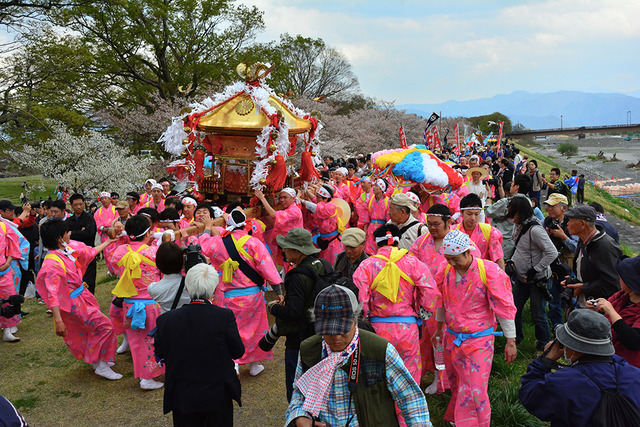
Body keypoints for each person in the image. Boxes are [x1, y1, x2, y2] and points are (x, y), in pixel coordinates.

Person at [285, 285, 431, 427]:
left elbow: (411, 399)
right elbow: (299, 393)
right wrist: (300, 415)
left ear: (355, 319)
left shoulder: (379, 351)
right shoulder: (309, 350)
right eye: (328, 330)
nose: (336, 337)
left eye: (342, 329)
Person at [433, 229, 517, 426]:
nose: (452, 263)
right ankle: (458, 418)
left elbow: (503, 307)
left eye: (455, 259)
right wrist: (439, 329)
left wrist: (510, 340)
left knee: (475, 388)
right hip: (453, 337)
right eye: (448, 259)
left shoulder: (488, 271)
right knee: (458, 383)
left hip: (478, 340)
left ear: (468, 252)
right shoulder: (445, 272)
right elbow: (443, 303)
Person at [154, 263, 244, 427]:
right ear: (215, 289)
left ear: (187, 288)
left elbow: (160, 353)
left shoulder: (165, 320)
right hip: (217, 394)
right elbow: (237, 351)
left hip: (182, 395)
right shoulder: (223, 317)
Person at [353, 224, 441, 384]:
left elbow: (360, 300)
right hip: (408, 329)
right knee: (408, 374)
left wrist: (365, 316)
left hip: (377, 330)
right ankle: (406, 407)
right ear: (398, 242)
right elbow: (431, 292)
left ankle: (383, 408)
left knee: (379, 374)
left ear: (376, 244)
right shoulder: (413, 263)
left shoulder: (367, 266)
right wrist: (423, 312)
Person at [199, 207, 283, 377]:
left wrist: (207, 228)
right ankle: (254, 364)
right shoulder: (253, 242)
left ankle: (234, 363)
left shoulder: (218, 242)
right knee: (256, 330)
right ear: (244, 224)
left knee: (231, 330)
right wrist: (278, 290)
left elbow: (202, 245)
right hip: (252, 295)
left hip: (227, 296)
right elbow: (268, 268)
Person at [519, 309, 640, 426]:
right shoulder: (634, 374)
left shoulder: (563, 382)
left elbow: (530, 395)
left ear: (572, 347)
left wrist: (545, 361)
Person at [35, 219, 122, 379]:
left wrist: (109, 242)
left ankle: (99, 360)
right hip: (75, 303)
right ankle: (101, 364)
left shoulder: (67, 250)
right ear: (59, 238)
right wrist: (58, 319)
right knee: (104, 327)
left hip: (83, 297)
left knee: (92, 329)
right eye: (67, 232)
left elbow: (89, 252)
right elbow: (52, 293)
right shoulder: (52, 264)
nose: (70, 234)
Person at [267, 228, 326, 402]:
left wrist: (273, 308)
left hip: (299, 338)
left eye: (286, 247)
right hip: (318, 333)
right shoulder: (321, 264)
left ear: (298, 251)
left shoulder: (297, 276)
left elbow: (293, 312)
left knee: (296, 386)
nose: (283, 250)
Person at [111, 215, 165, 390]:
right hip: (150, 303)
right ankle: (148, 377)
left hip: (129, 304)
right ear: (148, 233)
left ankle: (145, 375)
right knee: (153, 340)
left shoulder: (119, 252)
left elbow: (113, 266)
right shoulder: (154, 252)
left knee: (137, 342)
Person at [507, 196, 557, 351]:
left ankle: (544, 346)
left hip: (537, 280)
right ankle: (516, 340)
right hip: (521, 279)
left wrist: (536, 269)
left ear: (520, 213)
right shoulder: (519, 225)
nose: (511, 218)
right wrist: (512, 262)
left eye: (513, 214)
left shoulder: (535, 229)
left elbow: (552, 252)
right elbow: (520, 248)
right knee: (514, 309)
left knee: (538, 314)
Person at [587, 255, 640, 368]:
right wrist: (598, 308)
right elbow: (608, 314)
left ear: (632, 283)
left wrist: (611, 311)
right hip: (607, 359)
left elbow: (635, 341)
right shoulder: (622, 295)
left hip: (628, 368)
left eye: (623, 277)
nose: (619, 278)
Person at [563, 206, 622, 303]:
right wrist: (574, 282)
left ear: (582, 224)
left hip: (600, 309)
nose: (567, 224)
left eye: (570, 220)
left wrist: (584, 288)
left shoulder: (605, 247)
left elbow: (613, 283)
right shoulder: (582, 241)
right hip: (585, 304)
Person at [543, 193, 578, 328]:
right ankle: (557, 329)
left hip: (569, 269)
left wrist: (564, 237)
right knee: (553, 302)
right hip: (552, 269)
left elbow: (577, 248)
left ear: (563, 209)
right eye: (548, 206)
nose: (549, 209)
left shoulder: (572, 223)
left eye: (553, 206)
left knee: (573, 301)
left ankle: (574, 329)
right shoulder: (546, 222)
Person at [254, 187, 304, 268]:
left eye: (285, 197)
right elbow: (277, 222)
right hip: (289, 245)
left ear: (293, 198)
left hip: (293, 246)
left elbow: (274, 215)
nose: (282, 200)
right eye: (280, 197)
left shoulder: (294, 210)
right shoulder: (290, 208)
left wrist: (262, 198)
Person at [455, 193, 505, 270]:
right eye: (469, 214)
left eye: (476, 214)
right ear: (461, 213)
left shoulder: (490, 231)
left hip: (483, 274)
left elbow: (498, 259)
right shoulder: (453, 232)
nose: (473, 218)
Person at [298, 184, 344, 265]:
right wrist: (306, 191)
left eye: (319, 197)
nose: (317, 198)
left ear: (326, 198)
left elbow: (314, 207)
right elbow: (314, 199)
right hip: (324, 239)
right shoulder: (324, 202)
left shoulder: (330, 207)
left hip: (332, 241)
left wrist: (300, 200)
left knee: (332, 263)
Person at [65, 194, 98, 294]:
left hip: (88, 255)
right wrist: (81, 232)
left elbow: (89, 234)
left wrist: (73, 233)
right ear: (71, 205)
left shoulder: (89, 218)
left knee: (89, 281)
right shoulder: (68, 221)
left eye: (81, 204)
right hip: (73, 256)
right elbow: (65, 236)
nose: (79, 207)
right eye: (75, 205)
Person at [147, 241, 190, 314]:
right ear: (182, 261)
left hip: (168, 323)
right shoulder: (191, 286)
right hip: (188, 322)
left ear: (158, 263)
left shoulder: (153, 289)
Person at [0, 217, 23, 343]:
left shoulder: (4, 227)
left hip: (4, 269)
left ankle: (7, 331)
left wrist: (8, 263)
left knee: (9, 300)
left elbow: (12, 247)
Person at [362, 178, 389, 255]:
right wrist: (365, 231)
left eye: (376, 186)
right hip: (371, 228)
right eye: (374, 185)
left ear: (381, 189)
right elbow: (365, 218)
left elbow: (389, 219)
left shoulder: (387, 201)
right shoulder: (369, 200)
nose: (373, 187)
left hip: (382, 228)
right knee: (368, 250)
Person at [94, 192, 118, 274]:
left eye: (106, 198)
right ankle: (111, 271)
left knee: (116, 251)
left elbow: (117, 218)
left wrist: (112, 228)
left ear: (109, 199)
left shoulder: (115, 209)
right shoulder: (98, 211)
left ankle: (117, 270)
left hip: (114, 232)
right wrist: (102, 228)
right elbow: (97, 221)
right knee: (107, 253)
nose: (104, 200)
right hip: (104, 234)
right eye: (102, 199)